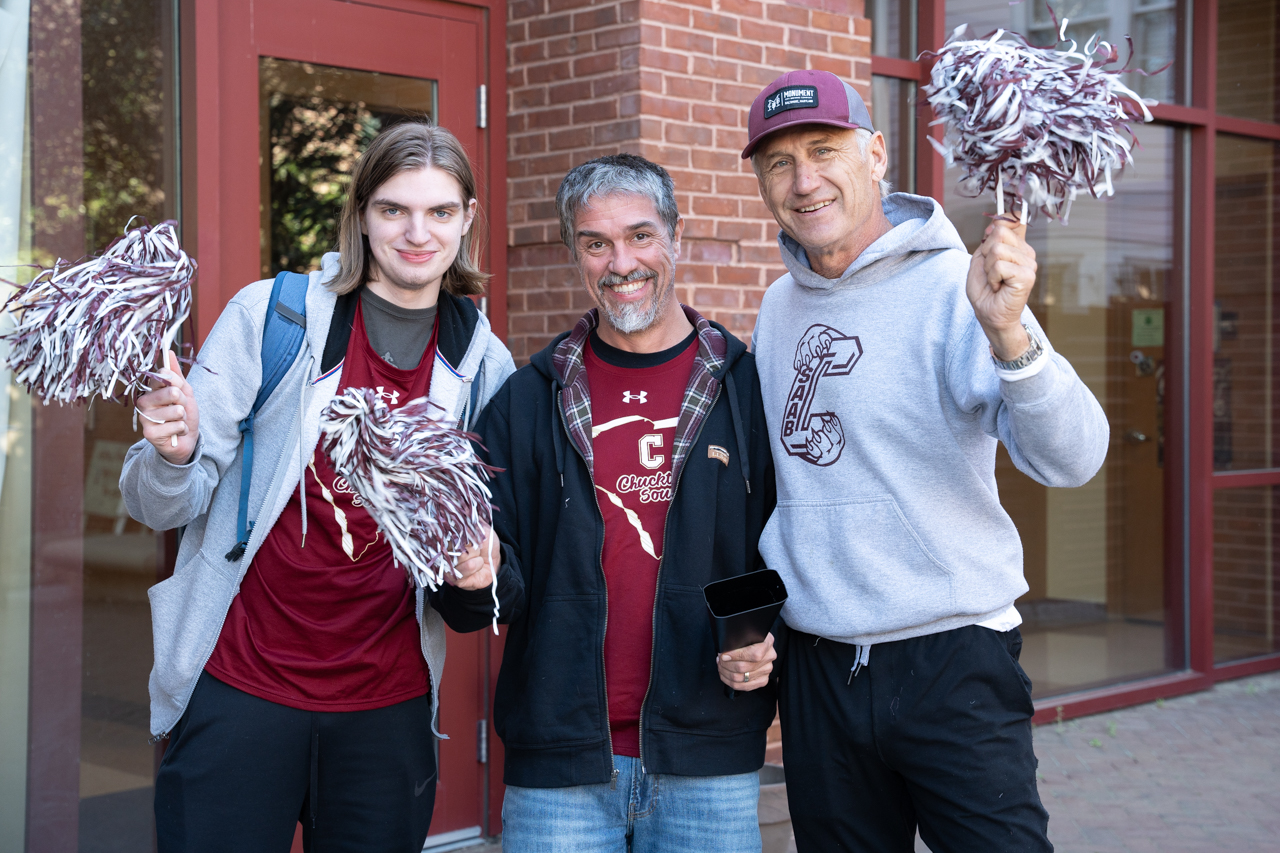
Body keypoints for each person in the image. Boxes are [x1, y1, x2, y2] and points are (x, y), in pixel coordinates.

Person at [120, 122, 519, 853]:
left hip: (386, 709)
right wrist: (173, 457)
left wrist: (478, 570)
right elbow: (155, 504)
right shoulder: (274, 317)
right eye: (393, 209)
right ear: (362, 214)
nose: (416, 233)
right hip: (240, 685)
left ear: (467, 220)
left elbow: (482, 581)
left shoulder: (485, 366)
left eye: (439, 212)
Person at [739, 69, 1110, 852]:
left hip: (952, 659)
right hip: (820, 668)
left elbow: (1073, 458)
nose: (804, 180)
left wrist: (1012, 335)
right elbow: (770, 491)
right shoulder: (776, 309)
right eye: (778, 162)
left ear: (875, 154)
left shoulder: (960, 287)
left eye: (824, 149)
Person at [472, 153, 778, 853]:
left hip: (709, 756)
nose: (621, 261)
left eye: (640, 235)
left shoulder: (747, 391)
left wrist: (768, 645)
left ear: (675, 236)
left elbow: (791, 544)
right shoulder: (526, 402)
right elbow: (490, 590)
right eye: (596, 242)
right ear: (573, 253)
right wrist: (475, 571)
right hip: (561, 768)